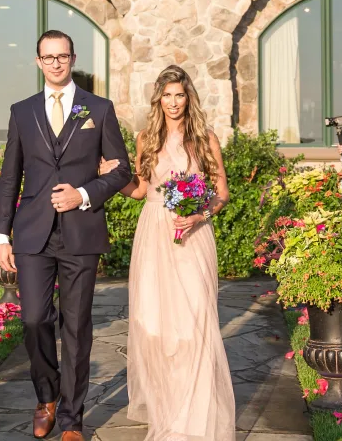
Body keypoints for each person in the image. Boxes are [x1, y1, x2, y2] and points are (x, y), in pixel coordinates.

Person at [0, 30, 131, 441]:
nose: (56, 63)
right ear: (38, 62)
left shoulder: (99, 109)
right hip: (33, 235)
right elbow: (9, 178)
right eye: (48, 57)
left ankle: (72, 419)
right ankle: (46, 397)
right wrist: (2, 234)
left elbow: (122, 170)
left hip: (80, 234)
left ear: (72, 59)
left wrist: (84, 194)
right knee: (35, 319)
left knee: (76, 327)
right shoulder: (22, 111)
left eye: (62, 56)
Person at [99, 65, 236, 441]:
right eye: (168, 95)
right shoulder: (145, 138)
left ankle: (196, 408)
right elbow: (142, 190)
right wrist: (112, 176)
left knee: (194, 318)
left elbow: (221, 193)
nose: (174, 102)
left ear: (188, 98)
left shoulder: (205, 139)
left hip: (193, 234)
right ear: (158, 99)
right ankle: (167, 403)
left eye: (180, 95)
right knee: (157, 320)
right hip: (154, 232)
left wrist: (199, 215)